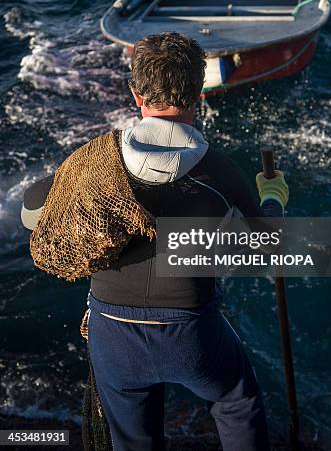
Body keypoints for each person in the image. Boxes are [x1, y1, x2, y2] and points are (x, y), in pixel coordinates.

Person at [21, 32, 289, 451]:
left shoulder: (95, 162)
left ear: (134, 92)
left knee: (133, 439)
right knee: (238, 402)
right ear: (199, 92)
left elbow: (32, 212)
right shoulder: (220, 171)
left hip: (112, 334)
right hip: (190, 333)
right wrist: (273, 195)